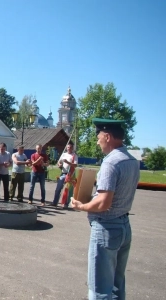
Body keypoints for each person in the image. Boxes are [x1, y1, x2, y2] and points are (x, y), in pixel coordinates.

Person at [71, 118, 139, 300]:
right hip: (124, 225)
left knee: (99, 288)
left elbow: (103, 203)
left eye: (98, 136)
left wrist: (81, 206)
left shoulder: (110, 163)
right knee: (117, 285)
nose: (97, 140)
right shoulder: (131, 160)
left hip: (107, 228)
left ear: (107, 136)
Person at [51, 142, 78, 207]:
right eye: (68, 147)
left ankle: (66, 203)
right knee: (58, 188)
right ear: (66, 148)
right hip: (63, 173)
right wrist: (59, 164)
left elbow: (75, 165)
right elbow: (59, 162)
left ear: (72, 148)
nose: (69, 149)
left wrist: (67, 162)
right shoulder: (63, 154)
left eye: (71, 147)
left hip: (70, 174)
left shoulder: (74, 155)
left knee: (68, 190)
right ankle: (55, 202)